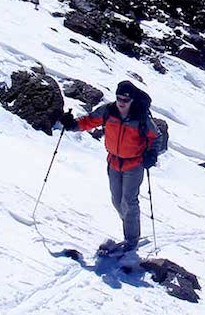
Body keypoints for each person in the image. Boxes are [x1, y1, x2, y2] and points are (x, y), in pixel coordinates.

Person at [58, 80, 161, 252]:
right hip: (113, 162)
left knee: (129, 201)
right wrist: (72, 125)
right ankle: (130, 226)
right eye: (119, 98)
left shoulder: (140, 117)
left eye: (125, 100)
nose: (121, 102)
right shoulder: (108, 111)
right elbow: (89, 121)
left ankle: (132, 241)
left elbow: (155, 137)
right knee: (116, 201)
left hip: (134, 165)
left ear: (132, 100)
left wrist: (151, 154)